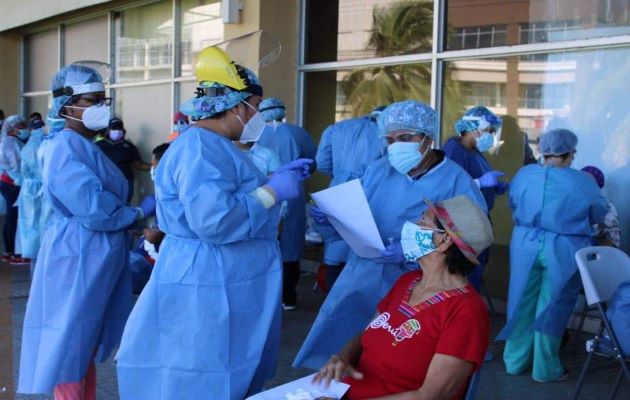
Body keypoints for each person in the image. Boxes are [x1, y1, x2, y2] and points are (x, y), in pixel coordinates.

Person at [116, 46, 313, 400]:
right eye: (256, 106)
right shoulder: (201, 148)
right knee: (203, 370)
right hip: (207, 278)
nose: (259, 116)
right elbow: (214, 221)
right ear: (239, 106)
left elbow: (224, 195)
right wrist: (271, 192)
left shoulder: (213, 146)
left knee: (226, 364)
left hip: (221, 275)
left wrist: (271, 180)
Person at [293, 100, 488, 370]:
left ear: (427, 137)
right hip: (363, 275)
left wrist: (412, 250)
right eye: (390, 139)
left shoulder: (456, 181)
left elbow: (471, 240)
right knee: (343, 349)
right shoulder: (379, 170)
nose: (396, 146)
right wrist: (332, 219)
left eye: (406, 137)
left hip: (419, 286)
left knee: (395, 358)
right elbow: (355, 218)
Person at [18, 62, 149, 399]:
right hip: (77, 252)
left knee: (83, 340)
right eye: (93, 101)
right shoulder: (63, 146)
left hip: (91, 250)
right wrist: (135, 212)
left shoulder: (85, 144)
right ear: (68, 105)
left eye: (103, 100)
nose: (102, 108)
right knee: (70, 338)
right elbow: (92, 206)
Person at [314, 195, 491, 399]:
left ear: (444, 240)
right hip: (346, 392)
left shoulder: (467, 312)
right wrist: (344, 356)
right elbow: (370, 332)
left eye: (423, 221)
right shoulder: (409, 281)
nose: (413, 225)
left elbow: (430, 396)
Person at [498, 129, 608, 383]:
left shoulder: (525, 174)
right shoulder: (581, 181)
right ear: (570, 153)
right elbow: (598, 211)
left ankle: (514, 362)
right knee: (553, 305)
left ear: (543, 151)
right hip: (563, 246)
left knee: (521, 301)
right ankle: (545, 369)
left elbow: (513, 202)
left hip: (525, 243)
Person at [314, 107, 385, 290]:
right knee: (362, 251)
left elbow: (322, 163)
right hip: (370, 193)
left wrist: (341, 175)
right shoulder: (385, 133)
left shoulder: (337, 128)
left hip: (337, 191)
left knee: (335, 246)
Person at [258, 97, 317, 310]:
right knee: (290, 245)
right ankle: (288, 296)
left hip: (265, 192)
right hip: (291, 191)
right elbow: (311, 162)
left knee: (265, 242)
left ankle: (267, 297)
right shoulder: (297, 133)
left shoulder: (254, 134)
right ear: (283, 112)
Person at [443, 106, 507, 290]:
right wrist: (480, 183)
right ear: (472, 128)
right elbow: (449, 188)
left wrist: (494, 187)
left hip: (478, 218)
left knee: (476, 272)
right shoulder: (454, 150)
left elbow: (474, 179)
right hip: (463, 222)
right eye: (489, 131)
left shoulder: (474, 151)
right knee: (465, 277)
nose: (491, 135)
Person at [16, 116, 47, 274]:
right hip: (42, 189)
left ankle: (34, 265)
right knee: (43, 225)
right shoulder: (47, 144)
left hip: (28, 191)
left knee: (30, 226)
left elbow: (22, 172)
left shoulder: (27, 147)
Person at [96, 117, 151, 202]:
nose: (117, 131)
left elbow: (139, 164)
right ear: (108, 130)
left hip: (126, 182)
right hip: (105, 182)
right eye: (114, 128)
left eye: (119, 128)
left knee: (125, 207)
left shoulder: (129, 146)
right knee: (107, 207)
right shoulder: (98, 145)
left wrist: (156, 167)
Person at [0, 114, 30, 265]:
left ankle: (9, 251)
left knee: (12, 217)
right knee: (14, 217)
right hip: (13, 183)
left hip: (9, 182)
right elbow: (16, 164)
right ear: (13, 127)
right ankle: (13, 252)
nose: (24, 129)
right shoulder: (11, 142)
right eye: (21, 126)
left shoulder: (10, 140)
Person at [581, 165, 621, 248]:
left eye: (589, 181)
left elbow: (614, 244)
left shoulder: (607, 208)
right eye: (581, 179)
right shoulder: (570, 203)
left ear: (597, 186)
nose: (584, 184)